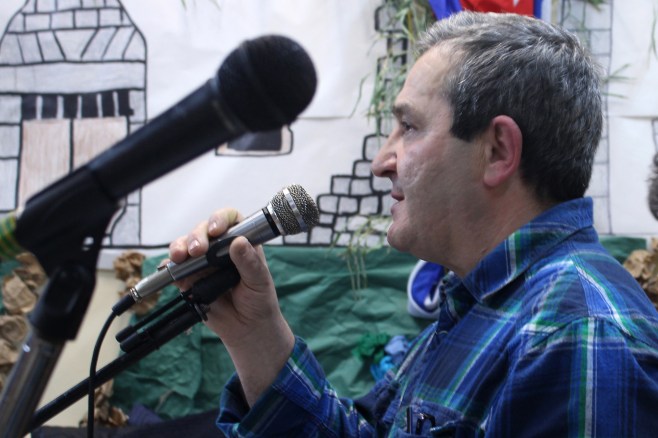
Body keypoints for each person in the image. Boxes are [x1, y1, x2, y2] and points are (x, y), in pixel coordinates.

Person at [169, 11, 658, 436]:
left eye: (408, 127)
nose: (381, 161)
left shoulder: (582, 337)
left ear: (497, 151)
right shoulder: (481, 303)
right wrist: (255, 333)